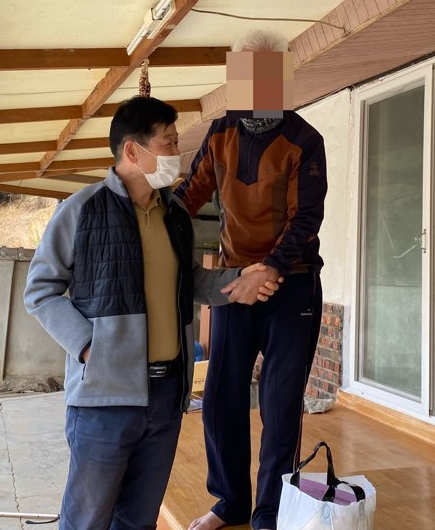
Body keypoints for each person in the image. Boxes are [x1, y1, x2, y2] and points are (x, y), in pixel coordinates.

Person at [24, 95, 280, 530]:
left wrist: (239, 282)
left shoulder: (175, 214)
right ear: (132, 150)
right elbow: (40, 291)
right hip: (105, 397)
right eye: (169, 142)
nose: (177, 153)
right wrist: (88, 348)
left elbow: (190, 282)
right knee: (87, 520)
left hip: (166, 395)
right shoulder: (82, 209)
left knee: (139, 520)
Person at [177, 30, 327, 530]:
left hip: (294, 283)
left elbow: (306, 219)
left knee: (280, 406)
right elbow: (189, 195)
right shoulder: (220, 132)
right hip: (235, 283)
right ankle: (230, 503)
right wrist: (148, 223)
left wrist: (270, 269)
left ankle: (270, 513)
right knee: (221, 397)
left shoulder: (305, 140)